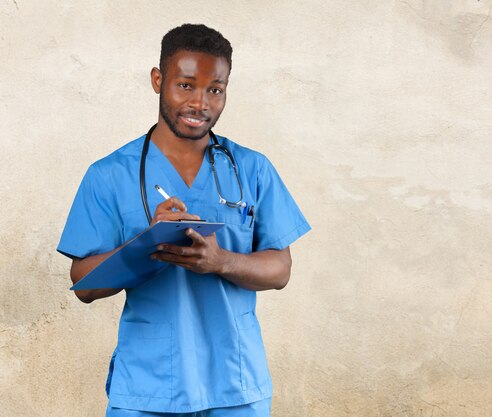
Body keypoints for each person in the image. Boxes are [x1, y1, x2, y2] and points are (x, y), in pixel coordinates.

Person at [57, 24, 310, 417]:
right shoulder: (109, 175)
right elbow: (83, 286)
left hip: (235, 386)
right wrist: (146, 244)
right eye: (186, 85)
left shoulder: (252, 169)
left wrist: (221, 261)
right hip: (148, 387)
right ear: (158, 81)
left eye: (215, 89)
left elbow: (279, 270)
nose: (200, 103)